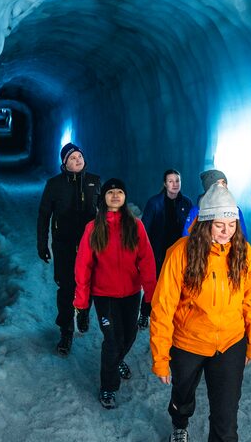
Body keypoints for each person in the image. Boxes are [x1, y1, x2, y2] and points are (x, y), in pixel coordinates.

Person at [150, 183, 251, 442]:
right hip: (188, 342)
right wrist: (160, 355)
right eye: (219, 225)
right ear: (205, 223)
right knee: (182, 395)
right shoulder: (181, 253)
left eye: (231, 225)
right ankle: (179, 424)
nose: (226, 232)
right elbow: (163, 305)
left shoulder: (245, 255)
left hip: (229, 344)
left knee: (226, 423)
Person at [73, 178, 156, 409]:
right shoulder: (93, 227)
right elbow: (83, 267)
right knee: (112, 340)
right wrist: (81, 306)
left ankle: (117, 360)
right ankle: (108, 387)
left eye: (120, 191)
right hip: (104, 295)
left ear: (125, 196)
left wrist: (148, 299)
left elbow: (147, 262)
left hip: (130, 294)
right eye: (111, 192)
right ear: (104, 197)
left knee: (129, 336)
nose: (116, 196)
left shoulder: (135, 226)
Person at [37, 142, 101, 356]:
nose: (77, 160)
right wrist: (42, 243)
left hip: (89, 246)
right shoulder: (54, 184)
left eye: (79, 156)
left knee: (89, 284)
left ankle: (83, 313)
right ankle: (66, 331)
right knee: (66, 288)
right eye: (72, 158)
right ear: (64, 163)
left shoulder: (94, 182)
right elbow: (44, 215)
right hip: (64, 245)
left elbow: (105, 214)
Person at [141, 168, 194, 287]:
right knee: (157, 286)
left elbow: (192, 228)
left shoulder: (187, 202)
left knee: (178, 285)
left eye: (177, 181)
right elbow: (144, 230)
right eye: (170, 181)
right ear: (165, 184)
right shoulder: (154, 203)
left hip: (180, 252)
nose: (175, 184)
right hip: (159, 253)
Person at [181, 169, 248, 238]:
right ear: (208, 188)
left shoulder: (235, 210)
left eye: (223, 182)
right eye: (217, 183)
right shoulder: (197, 211)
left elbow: (242, 237)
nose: (221, 186)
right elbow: (186, 236)